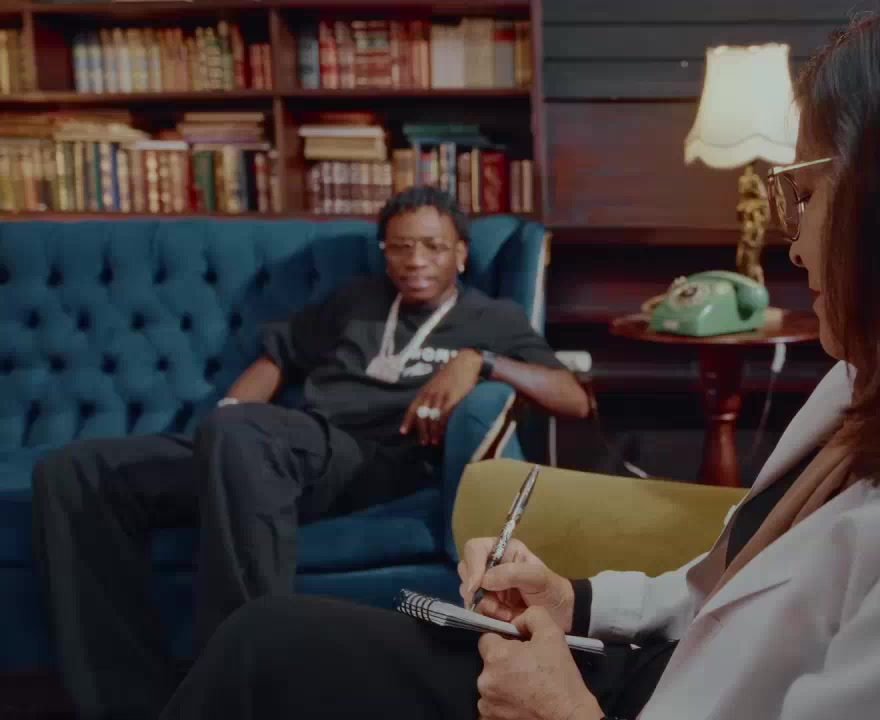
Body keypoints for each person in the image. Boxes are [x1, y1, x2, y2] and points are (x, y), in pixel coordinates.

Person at [158, 1, 880, 719]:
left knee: (266, 663)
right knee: (271, 638)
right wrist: (575, 600)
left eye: (808, 194)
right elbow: (724, 582)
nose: (793, 244)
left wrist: (562, 711)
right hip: (652, 675)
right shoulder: (875, 386)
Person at [31, 186, 590, 720]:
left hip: (371, 459)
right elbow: (278, 356)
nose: (415, 260)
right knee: (74, 472)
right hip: (280, 445)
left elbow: (574, 399)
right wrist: (227, 414)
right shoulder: (357, 301)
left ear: (460, 253)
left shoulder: (490, 318)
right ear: (385, 251)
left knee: (242, 437)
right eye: (400, 246)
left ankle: (240, 692)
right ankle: (126, 703)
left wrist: (481, 361)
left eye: (432, 246)